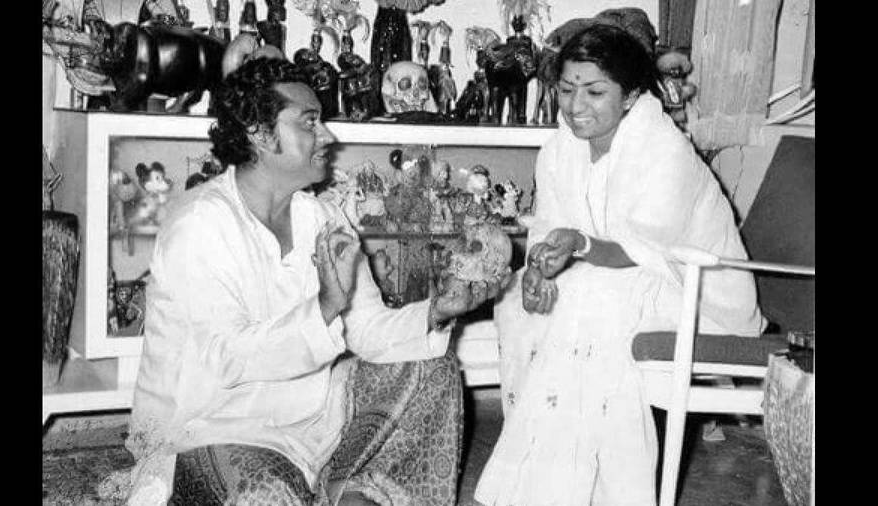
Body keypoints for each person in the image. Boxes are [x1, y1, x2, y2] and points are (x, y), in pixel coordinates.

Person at [121, 56, 509, 505]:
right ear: (259, 133)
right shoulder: (198, 225)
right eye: (309, 122)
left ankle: (352, 489)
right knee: (266, 494)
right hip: (209, 427)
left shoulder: (323, 216)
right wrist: (325, 305)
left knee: (433, 370)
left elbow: (367, 330)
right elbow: (226, 360)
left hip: (311, 424)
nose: (327, 136)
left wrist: (437, 311)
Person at [474, 24, 765, 506]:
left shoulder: (665, 149)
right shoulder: (559, 149)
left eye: (594, 92)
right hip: (606, 275)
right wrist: (538, 271)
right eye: (566, 90)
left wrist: (577, 245)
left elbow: (646, 250)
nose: (575, 105)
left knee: (592, 302)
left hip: (696, 292)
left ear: (630, 96)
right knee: (518, 306)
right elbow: (550, 226)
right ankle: (542, 478)